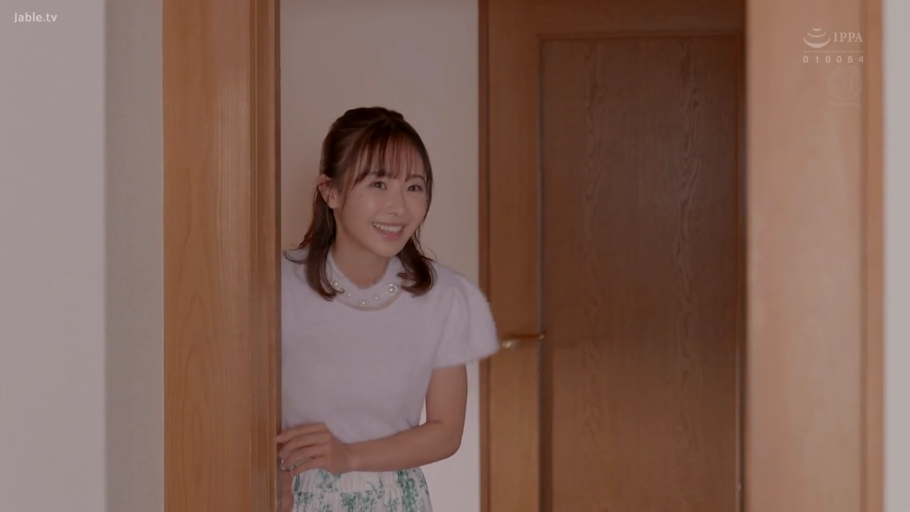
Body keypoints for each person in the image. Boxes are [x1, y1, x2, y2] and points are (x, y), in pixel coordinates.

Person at [276, 106, 500, 512]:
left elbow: (446, 430)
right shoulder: (275, 286)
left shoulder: (444, 296)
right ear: (331, 191)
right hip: (291, 494)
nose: (398, 207)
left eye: (414, 187)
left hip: (396, 499)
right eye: (378, 183)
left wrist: (349, 456)